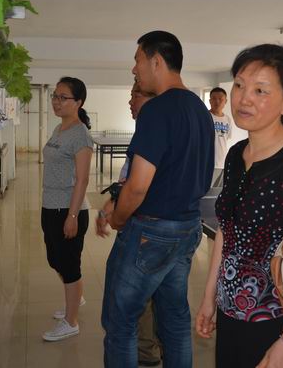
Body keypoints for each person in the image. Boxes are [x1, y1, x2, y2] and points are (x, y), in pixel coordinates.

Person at [195, 44, 283, 368]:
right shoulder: (236, 154)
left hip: (279, 318)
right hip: (231, 313)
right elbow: (226, 231)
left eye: (260, 90)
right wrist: (209, 298)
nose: (244, 98)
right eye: (239, 85)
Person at [101, 30, 214, 368]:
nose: (134, 69)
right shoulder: (200, 110)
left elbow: (137, 186)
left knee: (121, 321)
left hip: (152, 231)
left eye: (137, 60)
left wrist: (118, 218)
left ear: (156, 61)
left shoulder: (157, 110)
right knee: (175, 318)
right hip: (188, 227)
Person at [96, 81, 161, 366]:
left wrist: (118, 218)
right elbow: (127, 180)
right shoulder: (145, 131)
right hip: (142, 226)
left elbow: (137, 187)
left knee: (134, 299)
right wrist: (111, 202)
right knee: (149, 298)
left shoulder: (153, 132)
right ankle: (148, 347)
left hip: (142, 228)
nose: (130, 101)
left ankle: (145, 352)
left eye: (135, 95)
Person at [40, 77, 93, 342]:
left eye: (63, 97)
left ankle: (71, 322)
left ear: (78, 102)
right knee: (55, 260)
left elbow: (82, 179)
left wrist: (72, 216)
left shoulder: (81, 135)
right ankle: (75, 297)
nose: (56, 102)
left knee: (69, 265)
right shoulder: (59, 128)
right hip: (50, 206)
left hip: (68, 209)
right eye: (55, 96)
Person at [209, 87, 233, 187]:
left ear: (225, 101)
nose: (217, 102)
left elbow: (225, 139)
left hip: (223, 163)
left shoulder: (228, 119)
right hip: (208, 163)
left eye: (220, 99)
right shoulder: (205, 117)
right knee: (206, 192)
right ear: (210, 101)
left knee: (219, 192)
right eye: (214, 98)